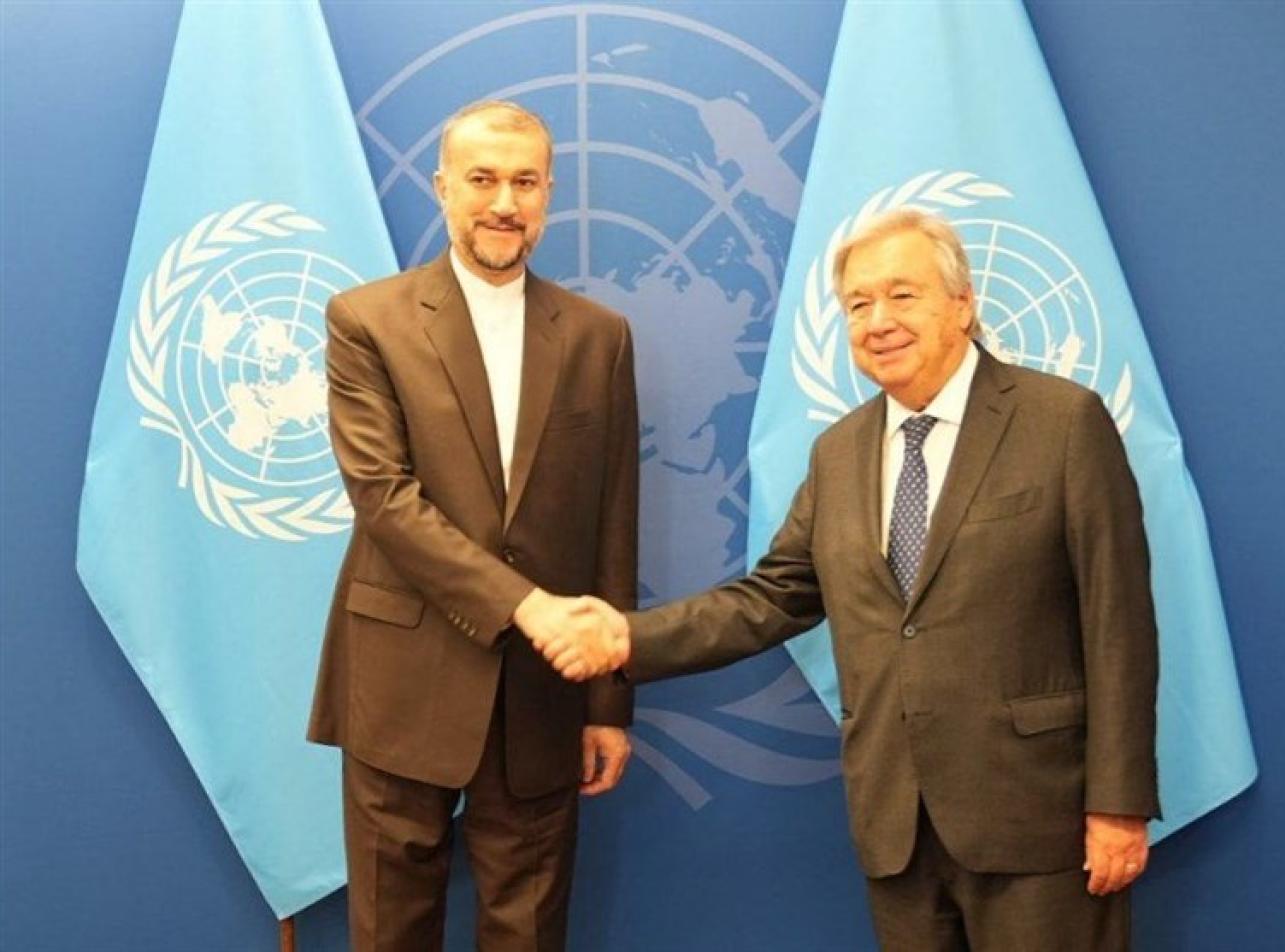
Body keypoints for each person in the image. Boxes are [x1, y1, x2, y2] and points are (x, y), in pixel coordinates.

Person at [538, 210, 1159, 951]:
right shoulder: (840, 453)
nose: (878, 321)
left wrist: (1118, 803)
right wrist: (626, 638)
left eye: (902, 295)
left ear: (962, 305)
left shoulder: (1061, 423)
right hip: (897, 825)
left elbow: (1119, 625)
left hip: (1039, 821)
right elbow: (771, 598)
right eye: (858, 304)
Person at [307, 100, 638, 952]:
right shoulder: (365, 320)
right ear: (443, 187)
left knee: (529, 933)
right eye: (483, 179)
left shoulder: (600, 338)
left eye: (524, 182)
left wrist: (607, 703)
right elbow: (385, 499)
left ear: (548, 193)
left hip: (542, 694)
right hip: (401, 682)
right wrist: (527, 606)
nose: (503, 203)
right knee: (391, 932)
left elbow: (613, 523)